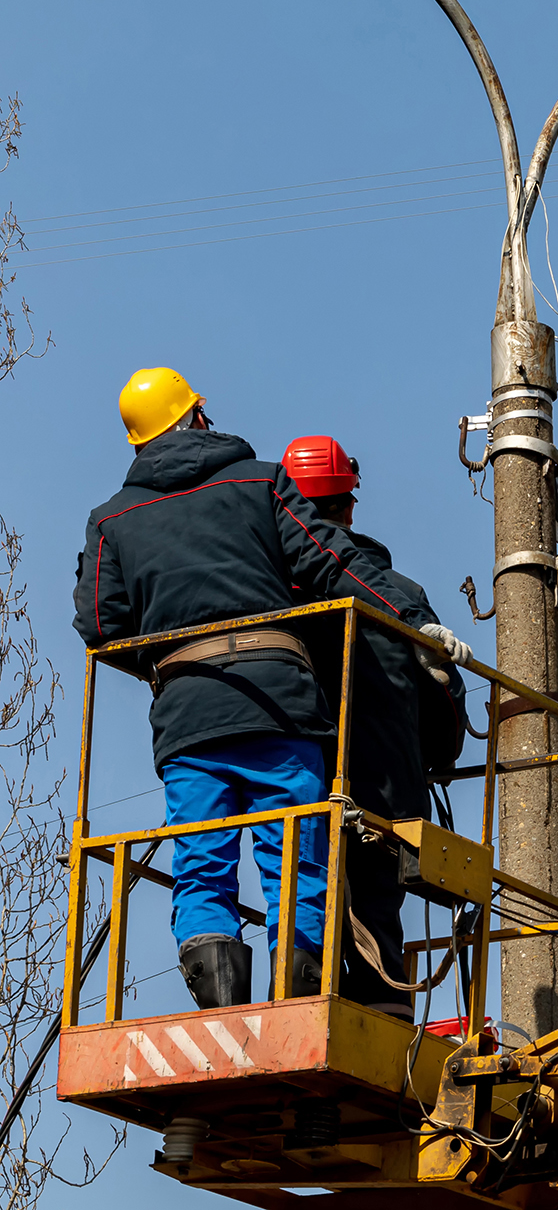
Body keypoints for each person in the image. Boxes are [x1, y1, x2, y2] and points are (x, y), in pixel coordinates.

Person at [72, 368, 470, 1011]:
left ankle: (221, 1013)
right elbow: (331, 563)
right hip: (278, 710)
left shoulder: (111, 520)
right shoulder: (258, 482)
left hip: (187, 718)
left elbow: (100, 625)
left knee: (200, 864)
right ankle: (299, 1005)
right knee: (297, 863)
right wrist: (417, 628)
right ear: (196, 418)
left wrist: (174, 654)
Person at [281, 434, 469, 1019]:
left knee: (297, 896)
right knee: (374, 916)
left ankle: (297, 1007)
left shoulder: (265, 591)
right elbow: (445, 729)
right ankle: (382, 1013)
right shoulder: (402, 598)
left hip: (296, 788)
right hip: (388, 798)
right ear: (349, 506)